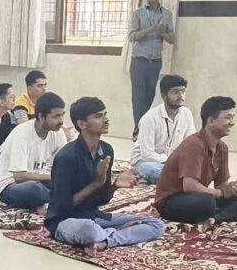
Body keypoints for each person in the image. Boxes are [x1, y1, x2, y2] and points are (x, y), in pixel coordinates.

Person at [46, 97, 164, 254]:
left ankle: (105, 241)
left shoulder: (106, 150)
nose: (106, 119)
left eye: (105, 114)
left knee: (156, 225)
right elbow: (63, 207)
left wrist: (114, 186)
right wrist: (96, 183)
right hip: (65, 221)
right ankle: (109, 235)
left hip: (94, 216)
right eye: (98, 116)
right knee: (89, 230)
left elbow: (102, 200)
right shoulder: (67, 157)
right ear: (82, 124)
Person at [154, 96, 237, 225]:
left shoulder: (222, 148)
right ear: (211, 121)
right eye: (228, 118)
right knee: (208, 202)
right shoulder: (194, 145)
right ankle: (217, 214)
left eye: (232, 118)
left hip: (196, 197)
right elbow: (190, 187)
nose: (232, 123)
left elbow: (221, 185)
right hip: (172, 201)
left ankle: (215, 219)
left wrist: (233, 188)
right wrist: (221, 193)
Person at [0, 91, 67, 213]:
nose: (61, 121)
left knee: (72, 181)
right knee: (35, 189)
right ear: (41, 116)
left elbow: (64, 165)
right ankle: (63, 201)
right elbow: (19, 177)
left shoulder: (58, 133)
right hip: (10, 186)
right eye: (56, 116)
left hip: (39, 181)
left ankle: (50, 201)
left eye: (62, 115)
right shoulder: (21, 133)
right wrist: (53, 178)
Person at [128, 0, 176, 138]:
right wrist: (152, 29)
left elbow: (172, 39)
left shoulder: (167, 14)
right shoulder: (137, 13)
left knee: (149, 96)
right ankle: (138, 129)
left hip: (155, 62)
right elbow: (132, 37)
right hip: (139, 61)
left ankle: (143, 127)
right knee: (138, 97)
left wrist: (163, 33)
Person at [130, 74, 196, 183]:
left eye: (183, 91)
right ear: (164, 96)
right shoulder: (149, 118)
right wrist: (170, 161)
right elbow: (147, 154)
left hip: (173, 163)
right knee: (153, 170)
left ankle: (178, 178)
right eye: (175, 92)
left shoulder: (186, 113)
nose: (181, 96)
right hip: (147, 162)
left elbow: (190, 144)